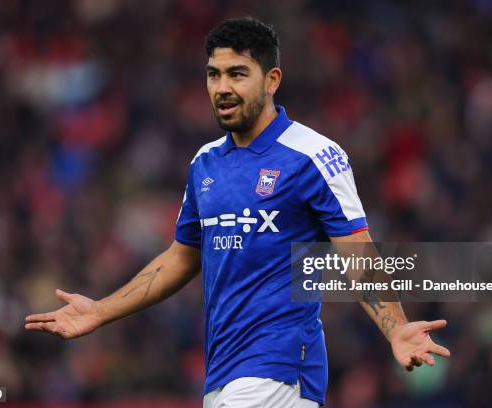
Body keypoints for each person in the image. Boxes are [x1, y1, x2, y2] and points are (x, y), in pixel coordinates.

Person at [25, 17, 451, 407]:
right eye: (214, 74)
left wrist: (395, 327)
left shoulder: (313, 155)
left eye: (237, 74)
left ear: (272, 81)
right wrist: (101, 311)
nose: (221, 87)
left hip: (279, 370)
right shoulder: (205, 163)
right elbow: (181, 257)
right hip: (223, 376)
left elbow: (356, 252)